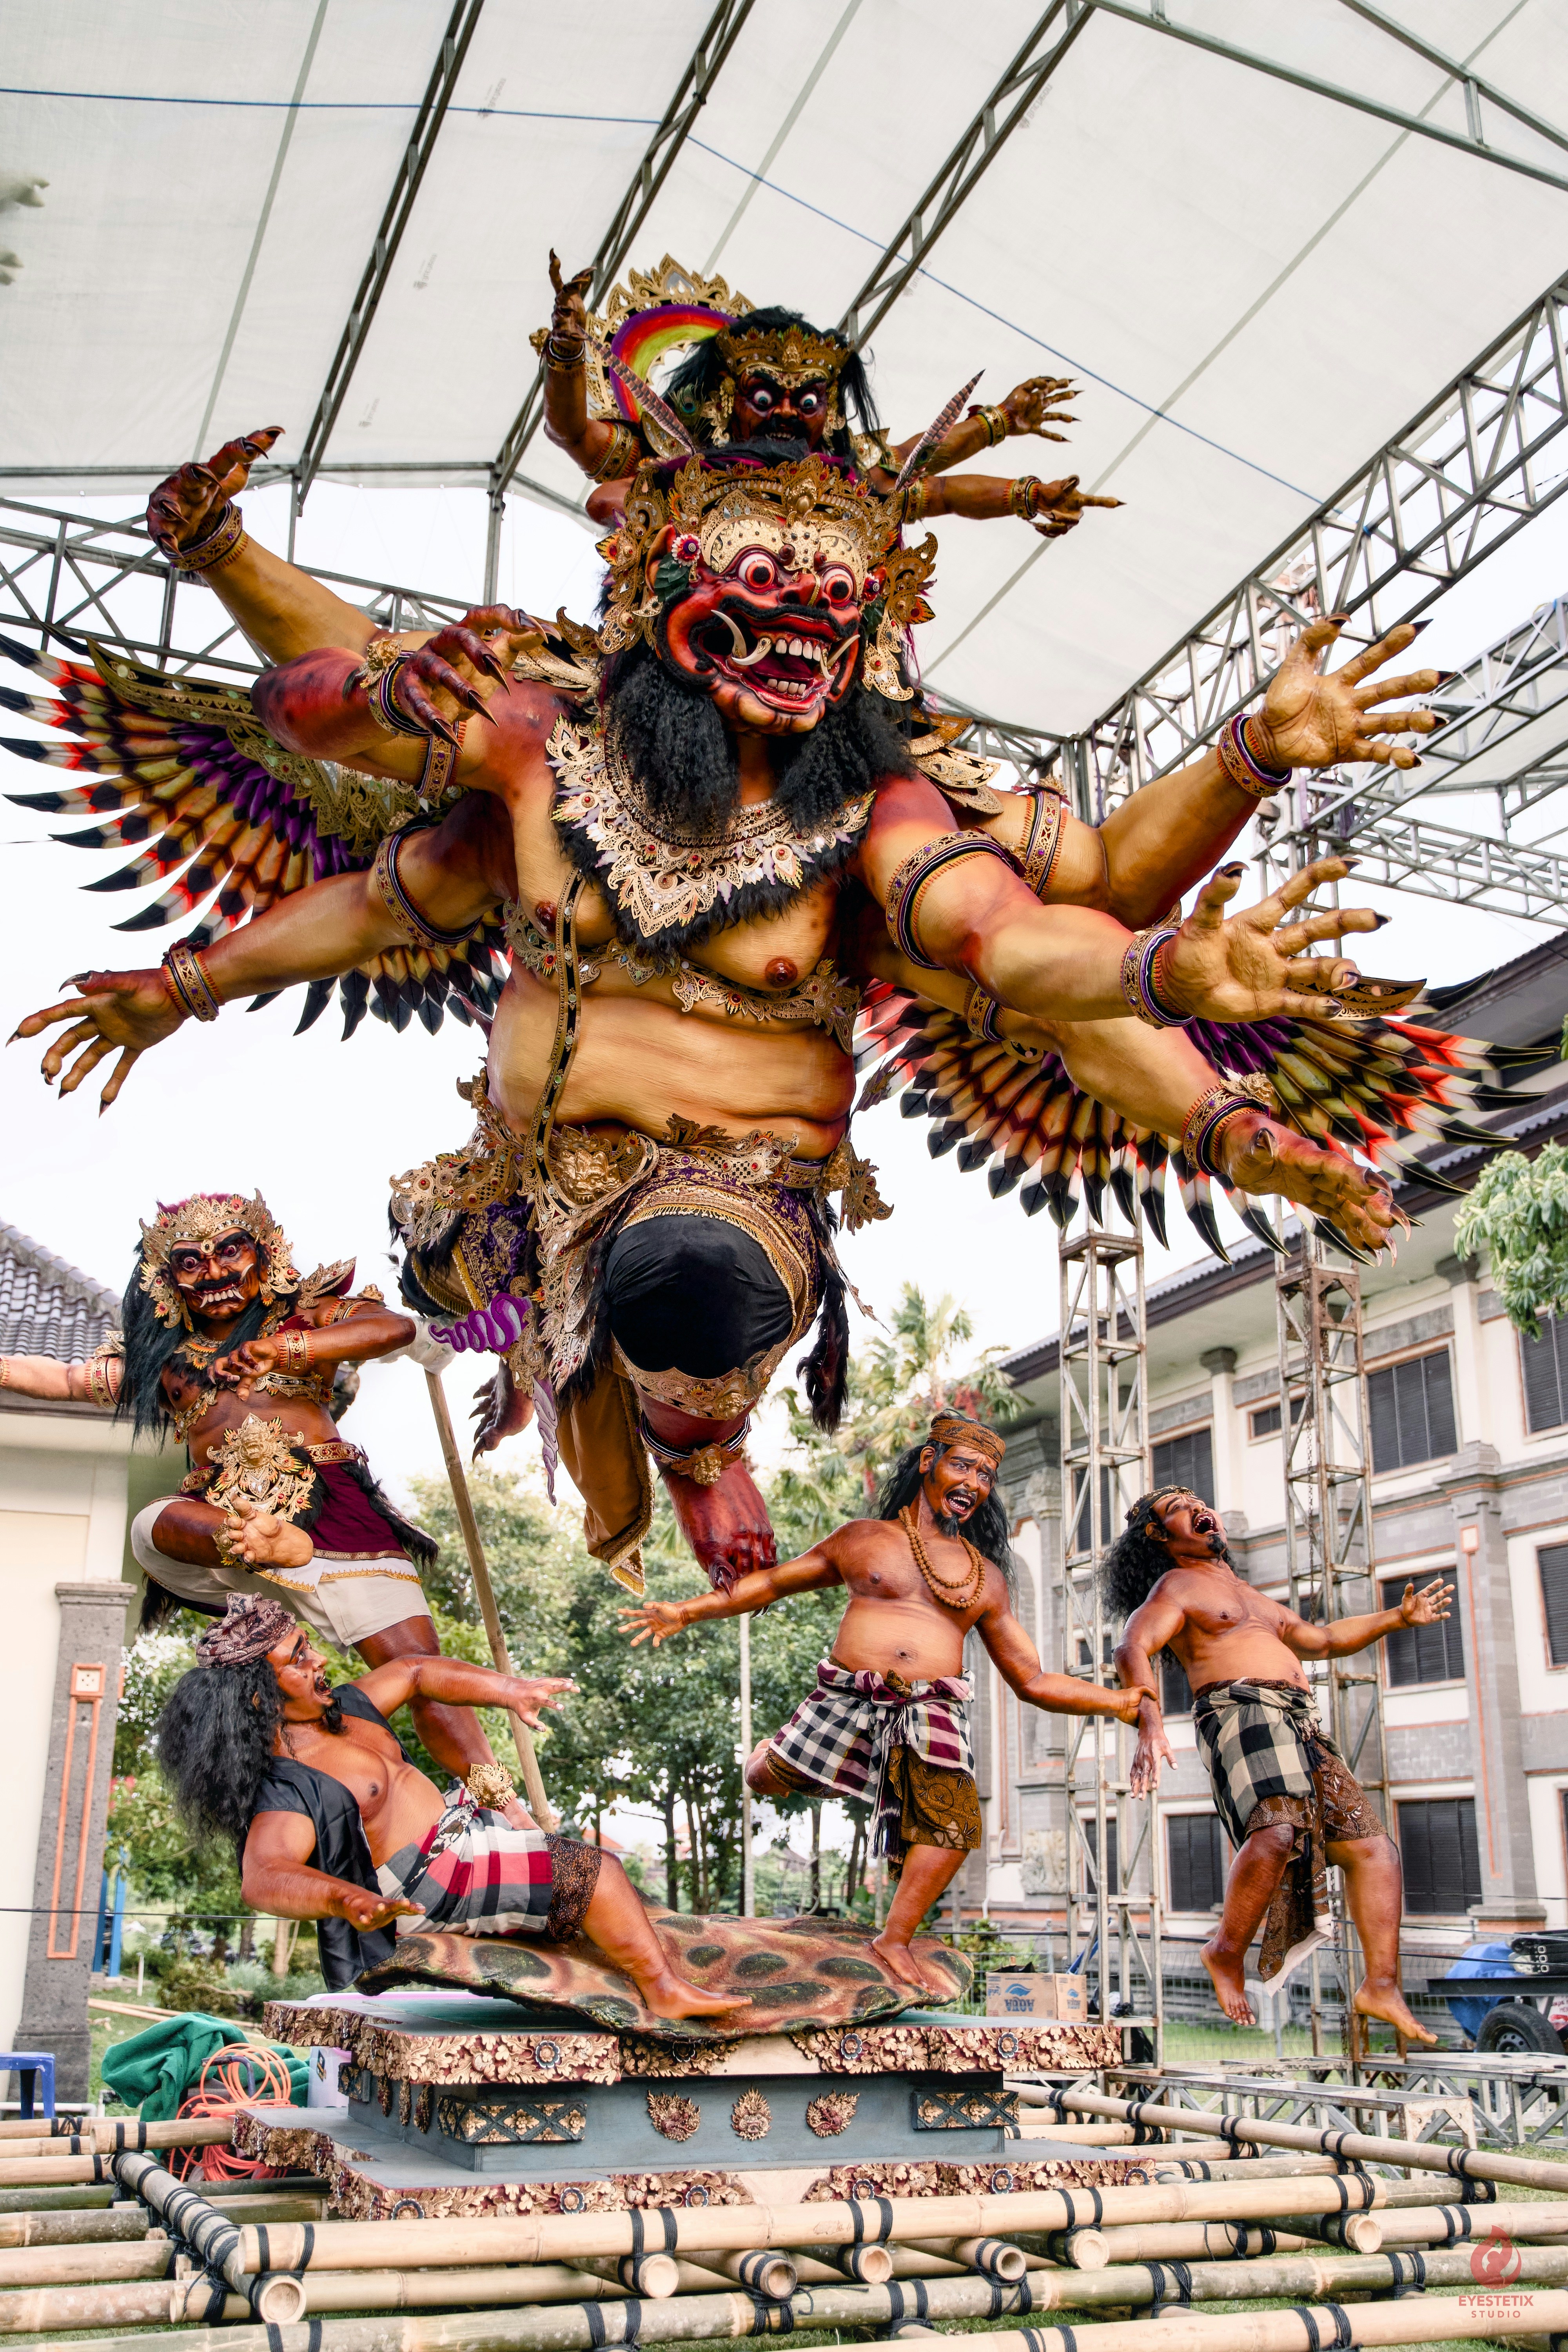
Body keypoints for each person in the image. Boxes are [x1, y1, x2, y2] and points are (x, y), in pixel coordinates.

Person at [14, 423, 1442, 1599]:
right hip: (522, 1185)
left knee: (682, 1275)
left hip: (730, 1194)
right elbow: (335, 737)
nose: (795, 626)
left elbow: (1030, 938)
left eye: (832, 603)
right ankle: (620, 1397)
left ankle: (696, 1436)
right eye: (754, 590)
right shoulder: (539, 747)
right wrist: (178, 977)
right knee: (459, 1278)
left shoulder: (885, 812)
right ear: (657, 592)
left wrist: (1198, 909)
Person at [621, 1411, 1141, 1996]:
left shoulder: (986, 1579)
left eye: (987, 1476)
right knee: (773, 1779)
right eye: (963, 1465)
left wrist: (1118, 1702)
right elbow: (771, 1584)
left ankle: (892, 1939)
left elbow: (1033, 1679)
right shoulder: (863, 1539)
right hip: (847, 1693)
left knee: (953, 1826)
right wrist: (686, 1611)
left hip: (933, 1709)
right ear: (929, 1461)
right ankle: (768, 1758)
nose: (974, 1483)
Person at [0, 1189, 494, 1782]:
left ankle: (500, 1800)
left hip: (332, 1512)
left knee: (418, 1669)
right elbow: (63, 1377)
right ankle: (260, 1543)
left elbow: (389, 1330)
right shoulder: (166, 1364)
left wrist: (286, 1348)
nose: (213, 1272)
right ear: (167, 1282)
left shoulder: (305, 1315)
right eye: (191, 1262)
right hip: (227, 1519)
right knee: (151, 1526)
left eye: (229, 1252)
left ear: (265, 1255)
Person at [156, 1592, 748, 2020]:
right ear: (260, 1693)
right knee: (595, 1872)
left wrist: (509, 1691)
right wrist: (346, 1897)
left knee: (601, 1889)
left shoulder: (348, 1709)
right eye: (299, 1659)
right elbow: (263, 1877)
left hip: (459, 1833)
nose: (319, 1663)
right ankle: (663, 1988)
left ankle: (632, 1944)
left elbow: (414, 1671)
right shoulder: (287, 1782)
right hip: (427, 1884)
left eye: (309, 1647)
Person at [1104, 1485, 1453, 2042]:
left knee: (1373, 1849)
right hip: (1241, 1711)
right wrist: (1147, 1717)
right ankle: (1225, 1952)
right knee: (1278, 1828)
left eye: (1200, 1502)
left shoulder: (1250, 1596)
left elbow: (1323, 1639)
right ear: (1159, 1534)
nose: (1199, 1509)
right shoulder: (1177, 1585)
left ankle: (1381, 1984)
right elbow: (1131, 1648)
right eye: (1177, 1509)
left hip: (1300, 1721)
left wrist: (1397, 1618)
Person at [536, 249, 1119, 542]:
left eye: (808, 402)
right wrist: (566, 353)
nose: (788, 413)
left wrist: (1023, 479)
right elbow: (575, 436)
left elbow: (930, 483)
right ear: (724, 403)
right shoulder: (678, 468)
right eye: (765, 399)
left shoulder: (841, 488)